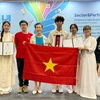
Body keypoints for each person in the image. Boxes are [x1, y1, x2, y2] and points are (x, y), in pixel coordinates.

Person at [76, 25, 100, 99]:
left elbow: (92, 49)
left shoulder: (93, 39)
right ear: (83, 31)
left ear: (90, 31)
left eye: (88, 30)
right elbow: (80, 49)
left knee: (90, 74)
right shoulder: (83, 40)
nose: (87, 31)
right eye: (85, 30)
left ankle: (90, 91)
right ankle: (83, 90)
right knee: (84, 74)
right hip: (83, 58)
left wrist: (84, 48)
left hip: (90, 59)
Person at [48, 16, 68, 93]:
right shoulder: (51, 33)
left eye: (60, 21)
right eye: (57, 21)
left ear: (62, 22)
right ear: (55, 23)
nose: (59, 23)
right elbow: (49, 43)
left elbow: (67, 44)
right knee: (53, 70)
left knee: (61, 71)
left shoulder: (66, 33)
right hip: (53, 54)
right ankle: (53, 86)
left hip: (62, 55)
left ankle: (60, 86)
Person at [15, 20, 32, 93]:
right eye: (22, 25)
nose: (23, 26)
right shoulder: (17, 35)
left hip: (28, 57)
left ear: (27, 26)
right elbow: (16, 45)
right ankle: (20, 85)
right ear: (20, 26)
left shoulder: (31, 35)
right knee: (20, 72)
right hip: (19, 56)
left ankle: (26, 85)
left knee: (27, 71)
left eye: (24, 25)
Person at [30, 23, 47, 94]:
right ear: (35, 29)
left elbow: (46, 49)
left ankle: (39, 86)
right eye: (37, 27)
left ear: (42, 28)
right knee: (35, 72)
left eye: (40, 27)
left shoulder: (45, 38)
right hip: (34, 58)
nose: (38, 29)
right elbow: (30, 47)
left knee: (40, 72)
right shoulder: (32, 38)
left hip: (42, 58)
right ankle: (35, 86)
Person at [0, 21, 15, 95]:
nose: (6, 27)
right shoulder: (0, 35)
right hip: (1, 57)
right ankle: (1, 87)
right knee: (1, 71)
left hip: (9, 57)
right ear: (3, 26)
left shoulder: (12, 36)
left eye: (8, 25)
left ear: (10, 27)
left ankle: (7, 87)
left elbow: (13, 46)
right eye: (5, 25)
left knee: (8, 71)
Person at [66, 24, 81, 93]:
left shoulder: (80, 38)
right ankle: (69, 88)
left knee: (77, 72)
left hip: (78, 57)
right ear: (70, 30)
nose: (73, 29)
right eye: (71, 28)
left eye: (74, 28)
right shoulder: (67, 39)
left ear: (77, 29)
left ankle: (76, 87)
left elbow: (81, 48)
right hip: (69, 58)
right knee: (69, 72)